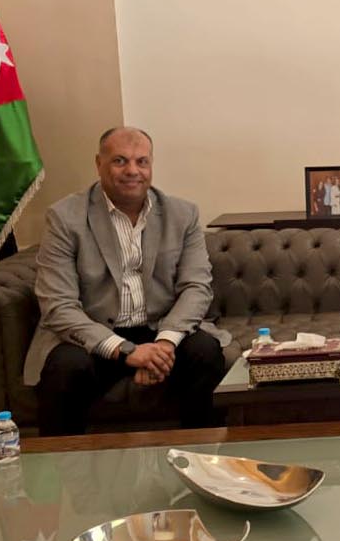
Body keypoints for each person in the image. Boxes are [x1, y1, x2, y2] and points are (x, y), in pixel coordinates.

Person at [26, 127, 229, 435]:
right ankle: (63, 463)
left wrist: (163, 346)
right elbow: (58, 305)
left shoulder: (182, 214)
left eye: (141, 161)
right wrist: (127, 351)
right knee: (65, 368)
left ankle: (200, 454)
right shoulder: (65, 218)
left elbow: (196, 287)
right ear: (99, 164)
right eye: (120, 161)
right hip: (93, 336)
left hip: (159, 330)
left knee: (205, 352)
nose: (132, 170)